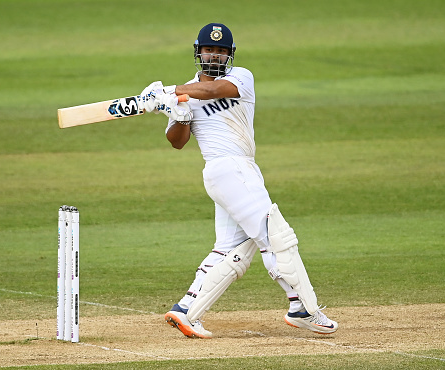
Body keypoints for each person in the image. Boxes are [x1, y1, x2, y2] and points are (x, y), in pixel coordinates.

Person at [139, 23, 338, 339]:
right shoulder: (186, 93)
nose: (215, 56)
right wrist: (177, 112)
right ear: (198, 52)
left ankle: (186, 311)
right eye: (209, 49)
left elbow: (218, 91)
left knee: (232, 248)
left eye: (221, 51)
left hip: (242, 170)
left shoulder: (240, 77)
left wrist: (172, 92)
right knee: (276, 236)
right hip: (226, 170)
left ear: (230, 55)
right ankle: (303, 308)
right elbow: (177, 142)